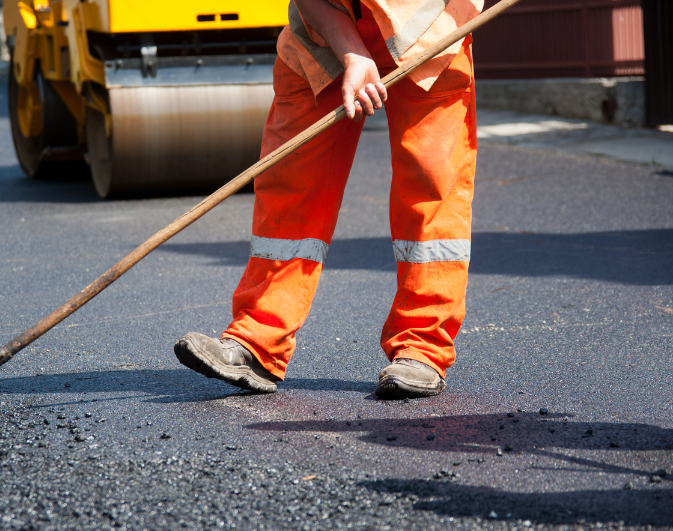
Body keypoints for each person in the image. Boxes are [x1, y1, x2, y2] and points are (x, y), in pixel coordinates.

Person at [175, 0, 483, 399]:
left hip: (430, 31)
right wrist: (351, 52)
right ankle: (258, 341)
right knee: (290, 181)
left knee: (431, 186)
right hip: (320, 34)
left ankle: (422, 348)